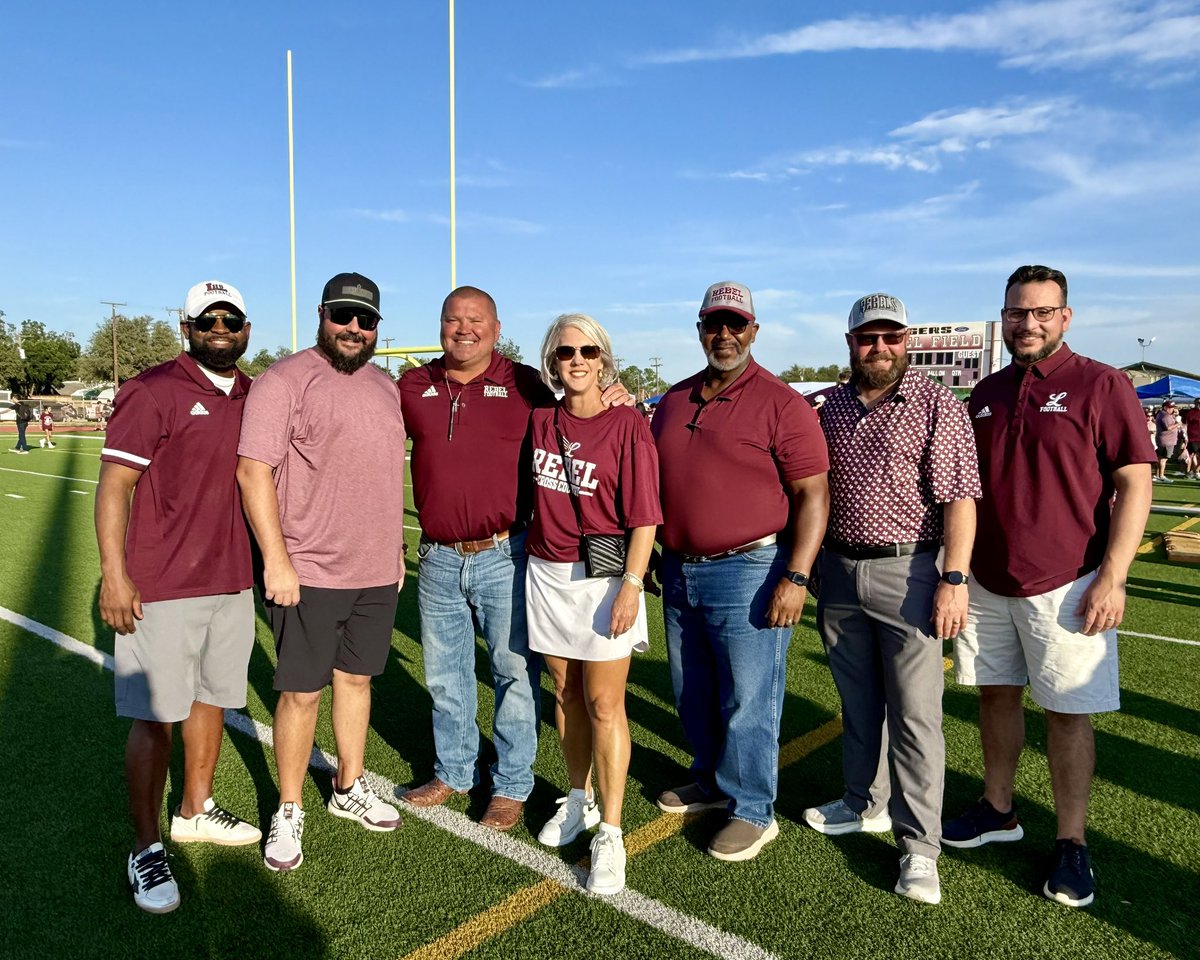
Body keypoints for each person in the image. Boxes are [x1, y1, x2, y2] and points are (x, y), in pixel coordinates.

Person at [945, 265, 1154, 908]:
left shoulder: (1102, 383)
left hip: (1068, 582)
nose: (1028, 323)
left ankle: (1071, 841)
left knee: (1066, 713)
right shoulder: (987, 391)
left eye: (1041, 312)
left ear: (1065, 316)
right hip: (988, 580)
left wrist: (1113, 575)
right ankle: (998, 808)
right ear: (1003, 317)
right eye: (1017, 312)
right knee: (996, 697)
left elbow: (1135, 484)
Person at [398, 287, 629, 831]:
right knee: (446, 675)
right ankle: (454, 770)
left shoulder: (525, 383)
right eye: (453, 319)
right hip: (437, 557)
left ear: (497, 329)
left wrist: (612, 395)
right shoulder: (413, 385)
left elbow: (579, 409)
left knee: (514, 672)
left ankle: (511, 784)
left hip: (505, 552)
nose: (464, 329)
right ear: (440, 325)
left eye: (476, 320)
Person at [803, 293, 980, 906]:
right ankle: (864, 801)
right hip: (838, 570)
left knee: (914, 716)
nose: (879, 347)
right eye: (867, 337)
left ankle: (919, 846)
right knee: (858, 704)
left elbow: (960, 500)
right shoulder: (829, 406)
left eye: (890, 337)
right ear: (850, 342)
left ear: (908, 341)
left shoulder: (936, 404)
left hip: (911, 572)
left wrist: (954, 579)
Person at [96, 279, 260, 914]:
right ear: (186, 328)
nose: (220, 329)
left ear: (247, 329)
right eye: (207, 320)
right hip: (162, 583)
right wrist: (115, 574)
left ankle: (194, 809)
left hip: (232, 579)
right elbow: (115, 486)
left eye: (231, 320)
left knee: (211, 699)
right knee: (156, 714)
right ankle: (145, 846)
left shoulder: (253, 394)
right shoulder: (153, 389)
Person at [652, 280, 829, 861]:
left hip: (749, 568)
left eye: (735, 324)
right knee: (692, 690)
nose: (724, 334)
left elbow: (812, 495)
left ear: (754, 330)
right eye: (713, 324)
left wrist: (796, 576)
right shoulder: (674, 400)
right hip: (679, 569)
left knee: (749, 698)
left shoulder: (782, 403)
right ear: (699, 329)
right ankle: (710, 779)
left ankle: (753, 807)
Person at [237, 272, 407, 872]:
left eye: (366, 320)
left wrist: (393, 555)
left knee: (356, 682)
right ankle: (288, 807)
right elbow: (253, 471)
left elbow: (383, 476)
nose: (354, 328)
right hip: (308, 570)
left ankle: (348, 785)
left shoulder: (386, 387)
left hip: (375, 572)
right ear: (321, 315)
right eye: (343, 316)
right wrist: (277, 560)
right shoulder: (284, 381)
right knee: (301, 693)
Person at [524, 313, 661, 895]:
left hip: (605, 580)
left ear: (604, 358)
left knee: (606, 704)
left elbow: (645, 515)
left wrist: (632, 584)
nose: (576, 360)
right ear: (551, 362)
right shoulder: (539, 419)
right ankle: (577, 797)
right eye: (565, 352)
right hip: (546, 574)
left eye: (587, 351)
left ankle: (611, 829)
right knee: (565, 693)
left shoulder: (627, 423)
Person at [1153, 400, 1180, 483]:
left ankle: (1158, 475)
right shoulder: (1165, 416)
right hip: (1167, 441)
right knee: (1163, 459)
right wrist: (1178, 423)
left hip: (1164, 440)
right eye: (1170, 408)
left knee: (1160, 458)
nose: (1172, 409)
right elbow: (1168, 427)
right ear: (1165, 408)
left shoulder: (1163, 414)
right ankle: (1161, 476)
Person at [1183, 399, 1200, 479]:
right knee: (1192, 455)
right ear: (1195, 403)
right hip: (1193, 438)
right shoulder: (1191, 413)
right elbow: (1186, 424)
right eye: (1198, 403)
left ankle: (1195, 471)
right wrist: (1186, 436)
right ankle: (1194, 472)